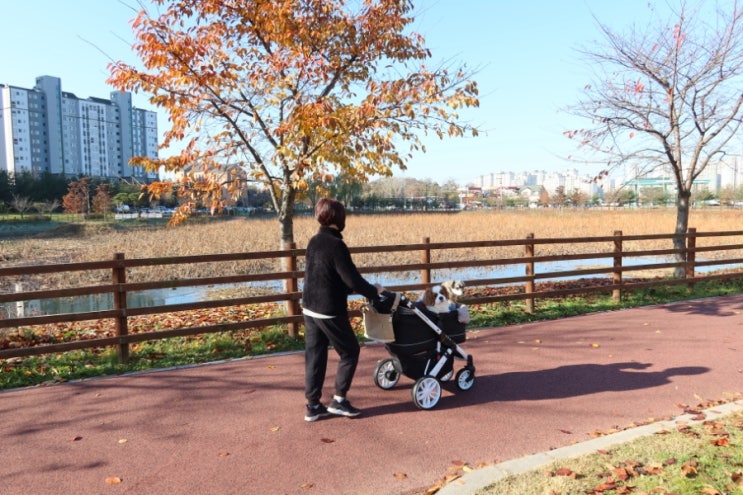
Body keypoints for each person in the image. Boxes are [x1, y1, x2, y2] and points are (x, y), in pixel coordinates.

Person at [302, 198, 385, 422]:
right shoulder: (336, 245)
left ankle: (313, 406)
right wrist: (374, 291)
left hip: (309, 308)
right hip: (329, 309)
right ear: (339, 218)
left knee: (315, 356)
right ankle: (339, 401)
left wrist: (352, 290)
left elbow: (324, 275)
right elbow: (352, 279)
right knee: (350, 352)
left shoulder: (314, 240)